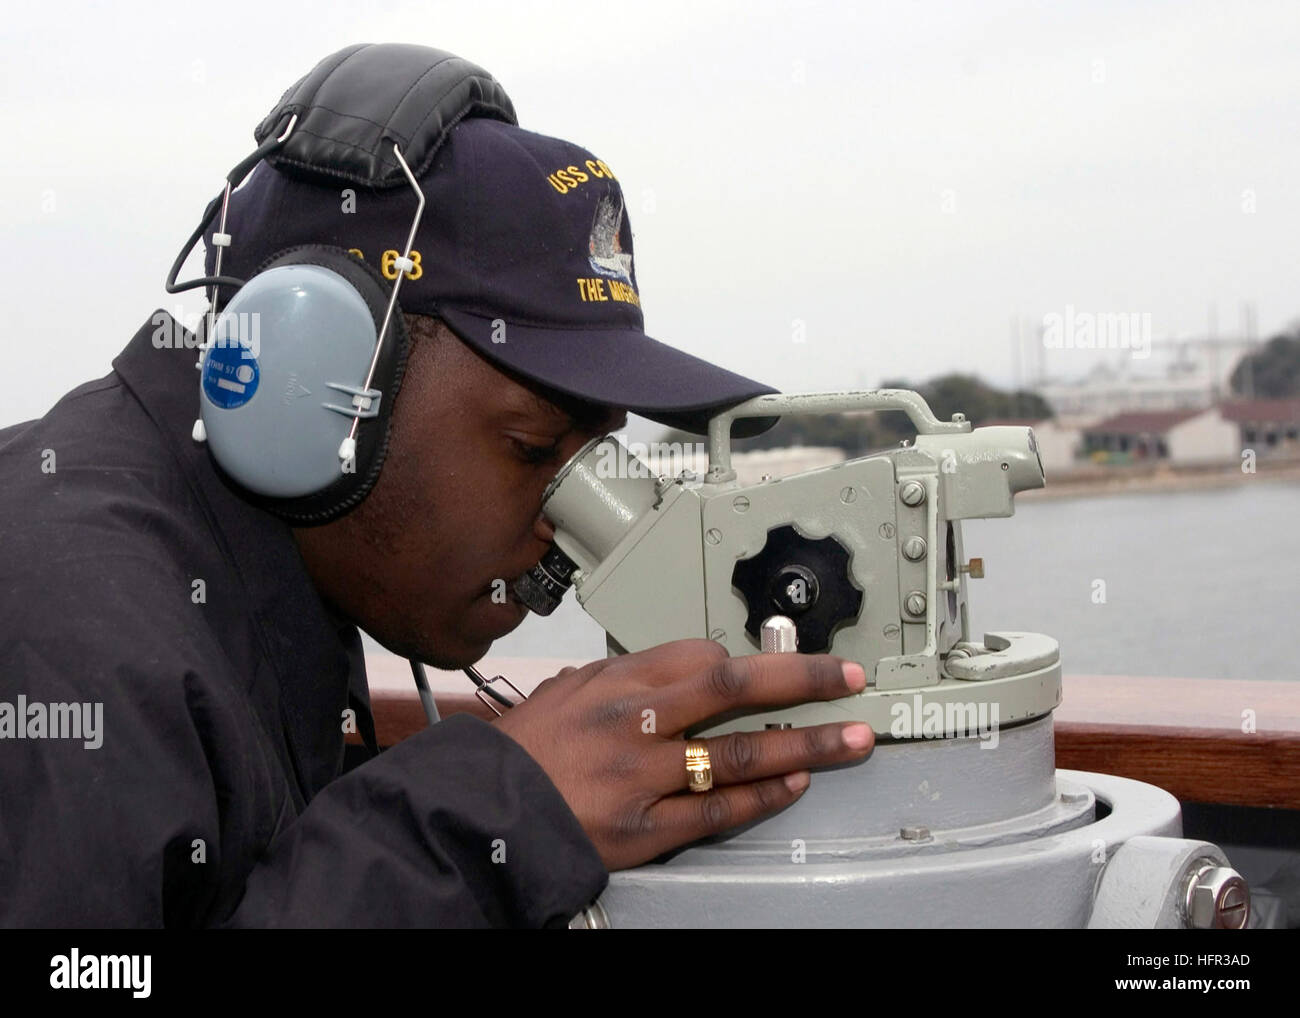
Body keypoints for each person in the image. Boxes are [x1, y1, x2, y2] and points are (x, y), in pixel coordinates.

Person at [0, 44, 874, 928]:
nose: (571, 539)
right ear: (306, 388)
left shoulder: (246, 587)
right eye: (536, 450)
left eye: (598, 459)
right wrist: (488, 818)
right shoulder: (80, 639)